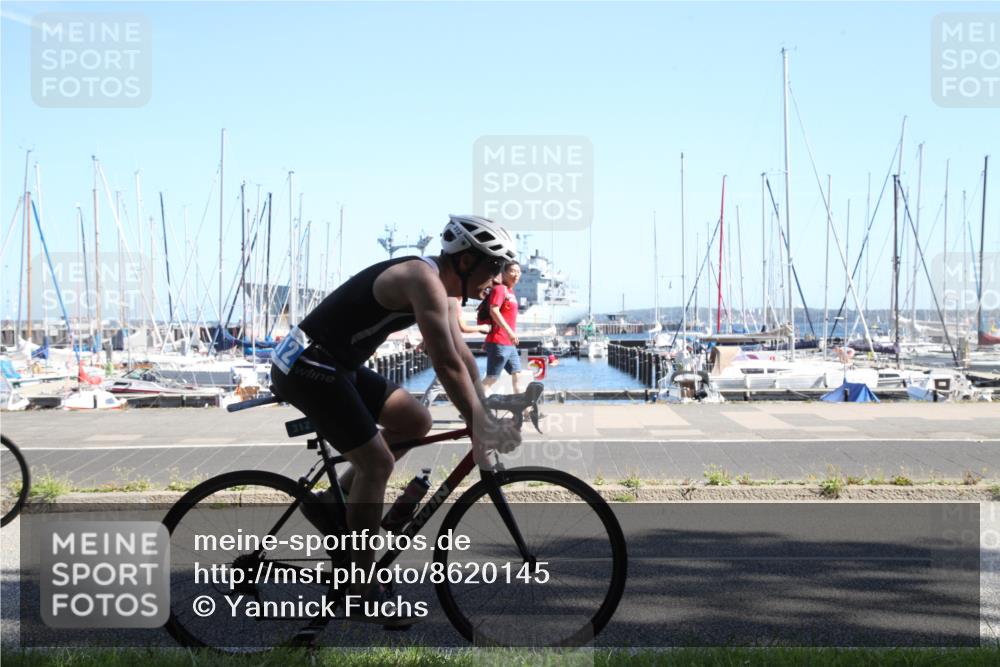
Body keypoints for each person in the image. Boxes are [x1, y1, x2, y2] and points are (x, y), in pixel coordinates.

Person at [269, 214, 522, 621]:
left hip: (337, 363)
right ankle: (361, 585)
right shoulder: (420, 279)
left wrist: (484, 413)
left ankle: (333, 502)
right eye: (492, 267)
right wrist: (478, 424)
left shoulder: (443, 291)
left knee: (415, 421)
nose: (495, 279)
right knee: (378, 463)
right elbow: (443, 362)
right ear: (464, 261)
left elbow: (464, 362)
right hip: (305, 364)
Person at [481, 261, 522, 395]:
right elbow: (494, 311)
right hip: (499, 341)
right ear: (503, 273)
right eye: (513, 271)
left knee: (517, 375)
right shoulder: (499, 289)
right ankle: (470, 409)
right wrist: (510, 332)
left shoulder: (510, 292)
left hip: (508, 342)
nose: (516, 274)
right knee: (491, 378)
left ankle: (523, 412)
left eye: (518, 271)